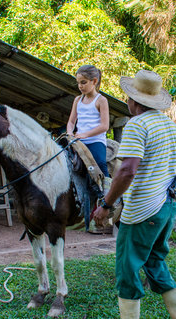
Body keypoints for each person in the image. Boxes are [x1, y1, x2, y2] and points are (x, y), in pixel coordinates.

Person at [92, 70, 176, 319]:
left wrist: (106, 204)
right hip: (166, 206)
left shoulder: (137, 125)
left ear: (132, 100)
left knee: (127, 264)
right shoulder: (171, 127)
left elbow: (127, 171)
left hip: (143, 210)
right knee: (154, 260)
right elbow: (171, 168)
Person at [67, 65, 111, 233]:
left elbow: (104, 126)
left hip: (95, 140)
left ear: (94, 81)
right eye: (78, 83)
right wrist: (70, 133)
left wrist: (84, 135)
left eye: (83, 82)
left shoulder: (101, 100)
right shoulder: (77, 100)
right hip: (78, 139)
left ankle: (106, 198)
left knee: (99, 163)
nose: (80, 86)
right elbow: (71, 121)